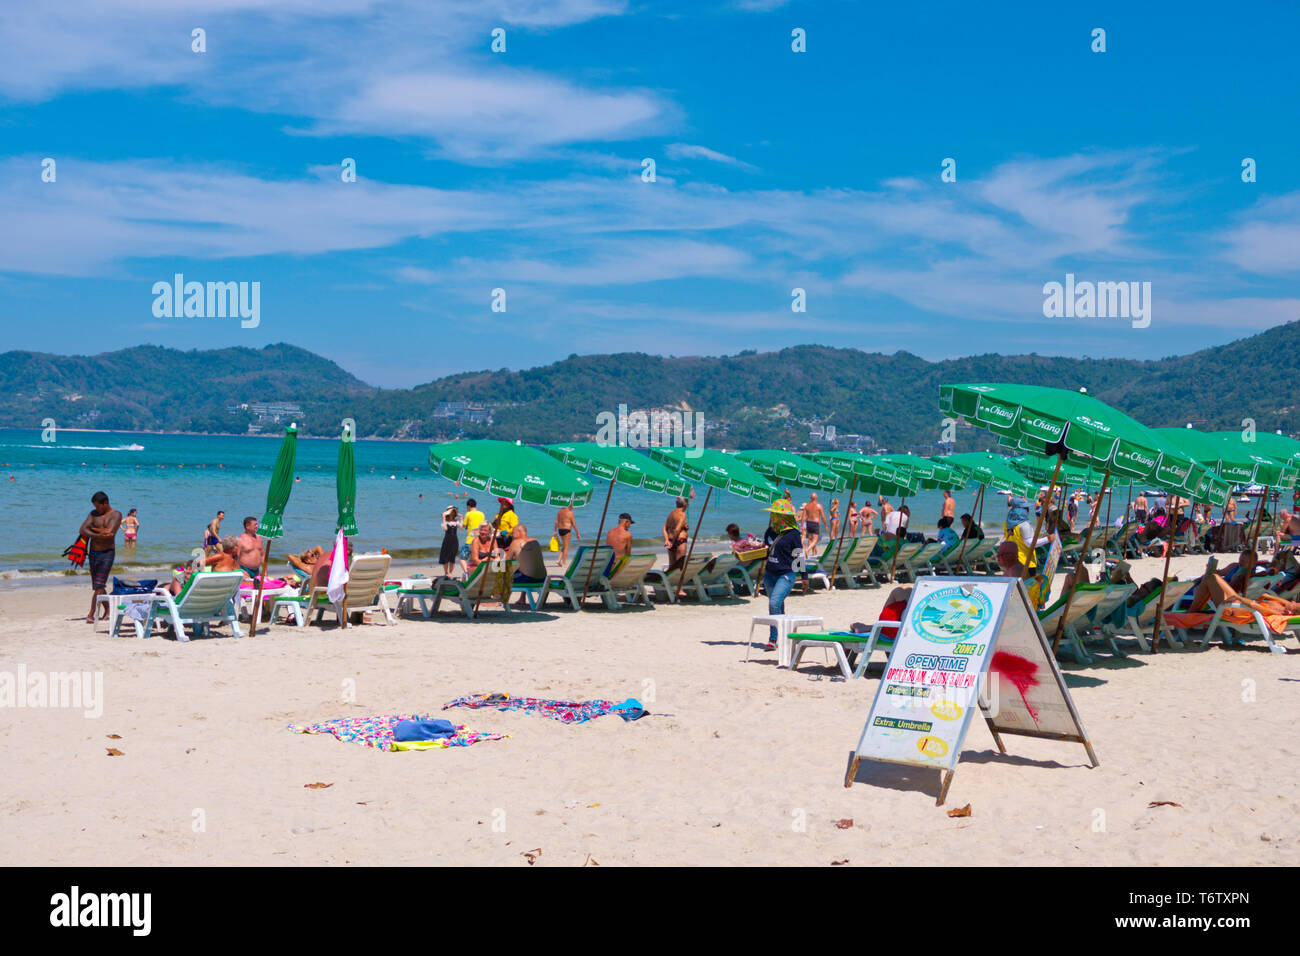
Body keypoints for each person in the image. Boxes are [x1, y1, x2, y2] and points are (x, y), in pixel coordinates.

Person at [759, 500, 804, 652]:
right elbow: (767, 551)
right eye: (772, 514)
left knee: (774, 604)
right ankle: (782, 636)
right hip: (769, 574)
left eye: (775, 514)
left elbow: (799, 555)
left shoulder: (793, 534)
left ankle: (772, 639)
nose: (772, 516)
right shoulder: (769, 532)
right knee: (778, 606)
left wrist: (804, 577)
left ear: (783, 516)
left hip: (786, 574)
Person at [79, 491, 122, 623]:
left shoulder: (116, 515)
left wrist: (93, 529)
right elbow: (82, 530)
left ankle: (91, 614)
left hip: (107, 553)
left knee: (98, 585)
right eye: (95, 506)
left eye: (98, 506)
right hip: (93, 553)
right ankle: (108, 610)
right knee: (98, 586)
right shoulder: (93, 514)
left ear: (105, 503)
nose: (97, 509)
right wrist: (99, 533)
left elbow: (110, 533)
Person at [664, 496, 690, 572]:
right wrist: (673, 542)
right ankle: (678, 583)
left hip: (670, 540)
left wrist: (668, 540)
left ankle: (670, 583)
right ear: (685, 505)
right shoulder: (682, 514)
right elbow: (677, 529)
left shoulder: (671, 513)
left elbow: (664, 529)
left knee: (671, 568)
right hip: (679, 540)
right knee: (679, 568)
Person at [439, 506, 461, 577]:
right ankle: (446, 573)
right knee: (445, 557)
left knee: (452, 557)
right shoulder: (445, 521)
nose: (452, 513)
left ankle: (450, 573)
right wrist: (443, 518)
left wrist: (461, 518)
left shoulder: (456, 521)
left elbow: (461, 527)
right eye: (451, 512)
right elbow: (445, 528)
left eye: (453, 512)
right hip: (447, 540)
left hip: (455, 541)